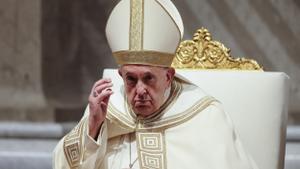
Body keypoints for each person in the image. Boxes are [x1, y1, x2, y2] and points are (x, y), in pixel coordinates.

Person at [53, 0, 258, 168]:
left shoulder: (205, 114)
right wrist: (93, 127)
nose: (140, 90)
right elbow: (63, 164)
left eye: (149, 78)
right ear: (120, 75)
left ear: (168, 76)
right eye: (131, 79)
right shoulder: (107, 107)